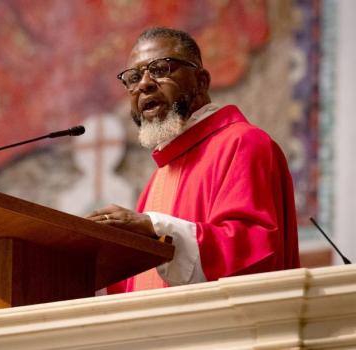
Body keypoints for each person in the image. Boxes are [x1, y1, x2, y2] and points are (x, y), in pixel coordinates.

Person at [86, 27, 300, 293]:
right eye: (133, 77)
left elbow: (253, 251)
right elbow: (139, 284)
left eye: (161, 69)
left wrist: (155, 227)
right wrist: (85, 269)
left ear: (201, 81)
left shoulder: (244, 143)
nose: (144, 84)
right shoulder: (160, 177)